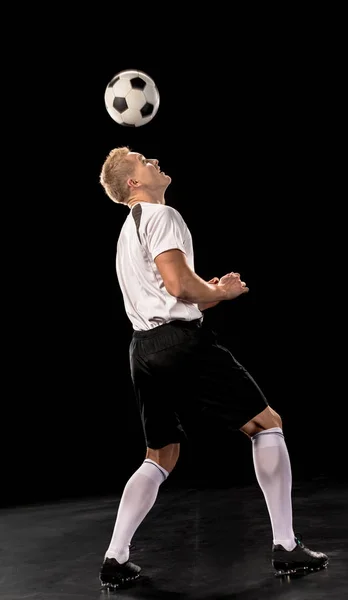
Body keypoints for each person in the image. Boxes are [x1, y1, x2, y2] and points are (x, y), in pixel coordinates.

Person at [97, 147, 328, 590]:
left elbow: (175, 296)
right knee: (266, 424)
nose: (155, 162)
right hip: (180, 343)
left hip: (142, 350)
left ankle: (115, 556)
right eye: (145, 161)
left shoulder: (130, 231)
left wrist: (216, 291)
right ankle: (285, 546)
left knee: (161, 453)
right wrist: (219, 294)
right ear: (133, 183)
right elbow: (179, 286)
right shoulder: (161, 216)